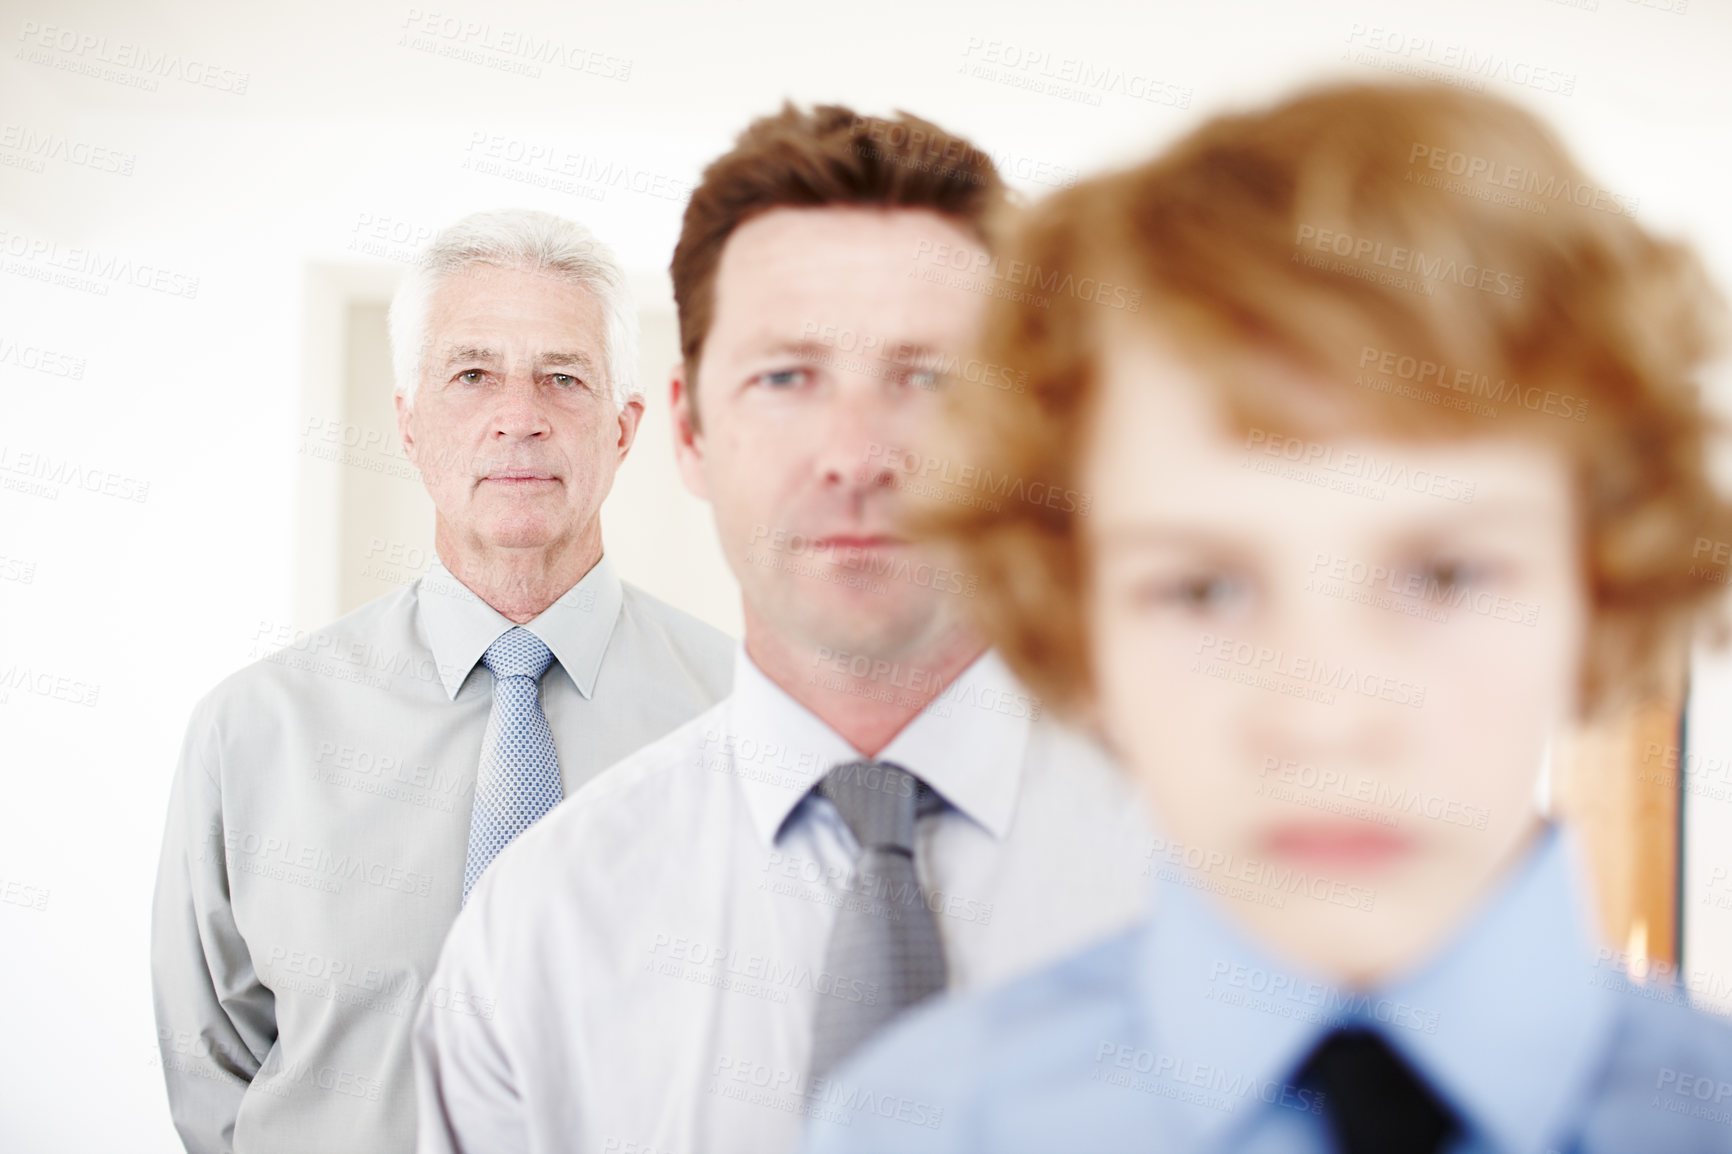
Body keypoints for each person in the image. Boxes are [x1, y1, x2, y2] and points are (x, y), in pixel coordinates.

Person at [798, 81, 1732, 1153]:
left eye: (1444, 576)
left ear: (1602, 591)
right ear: (1076, 622)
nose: (1324, 715)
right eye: (1203, 588)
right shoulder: (914, 1125)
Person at [411, 105, 1153, 1154]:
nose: (853, 454)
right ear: (688, 431)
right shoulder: (539, 924)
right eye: (786, 378)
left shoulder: (1216, 877)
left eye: (926, 377)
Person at [150, 209, 734, 1154]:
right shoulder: (253, 733)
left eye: (564, 377)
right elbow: (211, 1072)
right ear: (410, 423)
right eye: (472, 375)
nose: (520, 415)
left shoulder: (750, 724)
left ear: (624, 429)